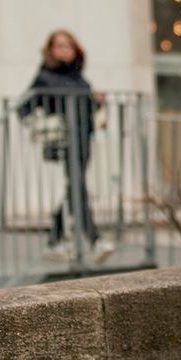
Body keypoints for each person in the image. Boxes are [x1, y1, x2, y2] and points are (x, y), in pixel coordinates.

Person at [20, 29, 113, 262]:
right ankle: (94, 239)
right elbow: (25, 108)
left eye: (69, 45)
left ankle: (54, 240)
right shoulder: (45, 77)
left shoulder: (79, 77)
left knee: (74, 187)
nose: (65, 50)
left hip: (84, 138)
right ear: (51, 49)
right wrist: (43, 121)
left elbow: (86, 109)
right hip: (65, 140)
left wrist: (96, 101)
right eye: (60, 45)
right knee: (77, 186)